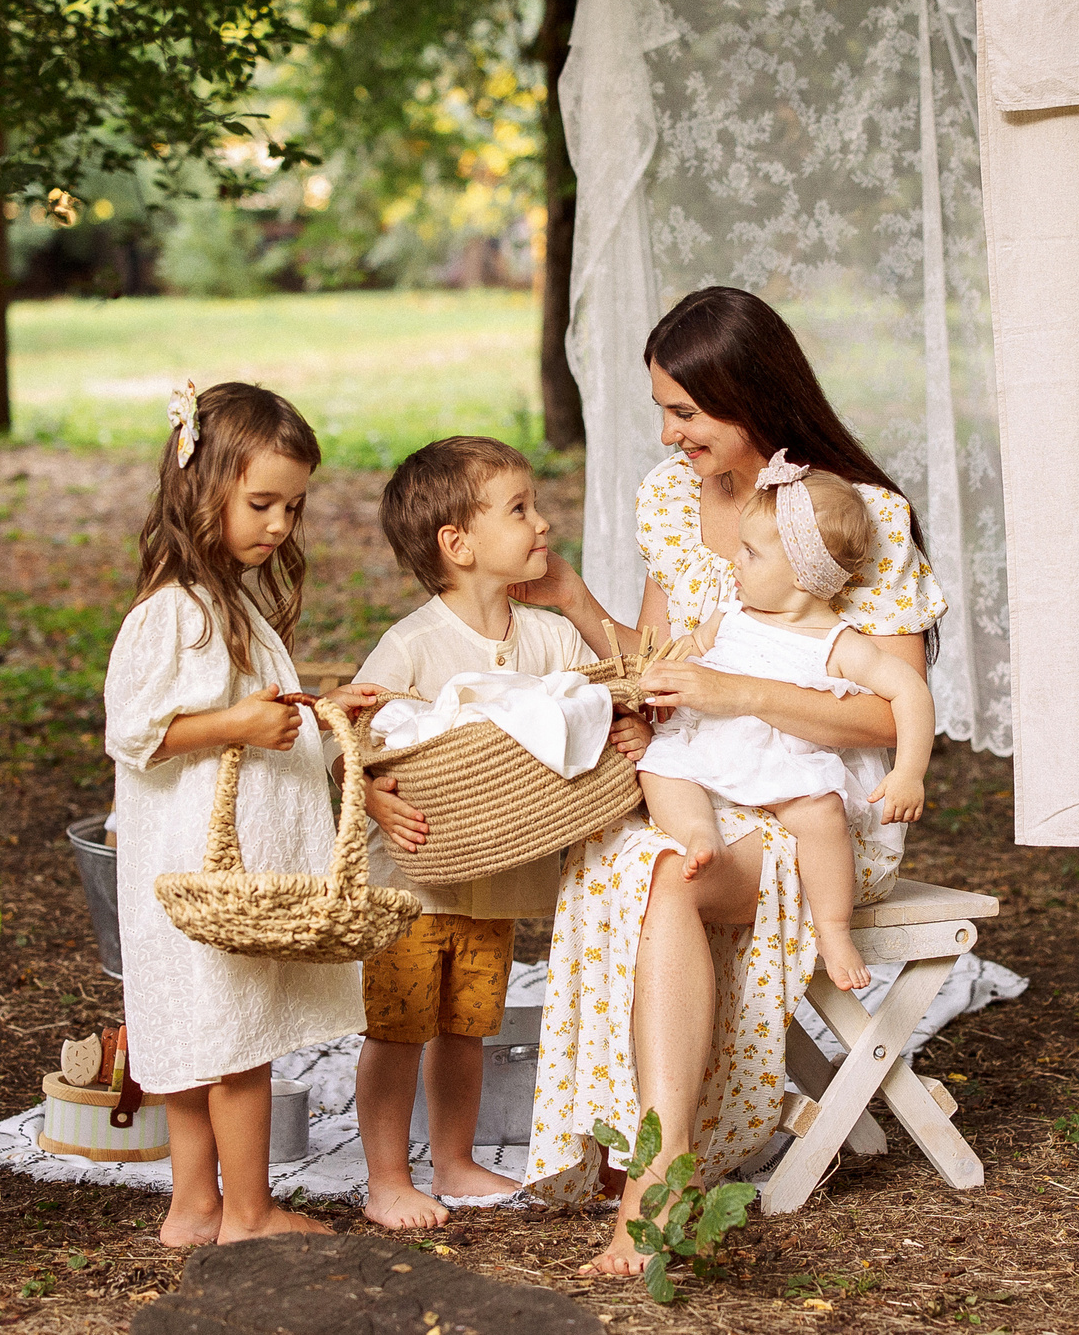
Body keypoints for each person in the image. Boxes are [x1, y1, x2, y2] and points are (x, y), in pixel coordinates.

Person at [510, 286, 946, 1275]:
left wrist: (733, 691)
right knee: (621, 859)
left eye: (687, 413)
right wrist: (584, 614)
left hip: (820, 804)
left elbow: (888, 713)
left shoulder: (857, 516)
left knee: (662, 873)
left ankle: (653, 1183)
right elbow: (661, 664)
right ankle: (669, 1149)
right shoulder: (670, 501)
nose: (668, 435)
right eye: (662, 409)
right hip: (711, 782)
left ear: (753, 399)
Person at [102, 379, 392, 1248]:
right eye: (260, 502)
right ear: (202, 489)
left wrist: (320, 705)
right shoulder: (176, 612)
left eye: (292, 507)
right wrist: (238, 721)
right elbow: (137, 730)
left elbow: (249, 709)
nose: (279, 525)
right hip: (203, 869)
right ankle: (249, 1212)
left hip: (209, 868)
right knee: (233, 1042)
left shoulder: (234, 600)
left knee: (199, 1038)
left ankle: (194, 1206)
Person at [348, 436, 651, 1229]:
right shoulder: (413, 645)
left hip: (499, 879)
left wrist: (618, 719)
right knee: (398, 1027)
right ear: (459, 542)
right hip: (413, 877)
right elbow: (352, 740)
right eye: (520, 508)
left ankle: (452, 1159)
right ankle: (386, 1178)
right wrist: (374, 796)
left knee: (465, 1027)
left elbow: (610, 689)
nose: (542, 523)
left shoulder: (546, 637)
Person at [635, 455, 931, 992]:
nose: (735, 563)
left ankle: (834, 928)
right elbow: (685, 651)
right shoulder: (729, 615)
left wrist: (909, 771)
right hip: (710, 746)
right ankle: (700, 831)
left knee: (822, 814)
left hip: (782, 762)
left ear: (801, 573)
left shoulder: (837, 644)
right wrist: (670, 674)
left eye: (749, 553)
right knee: (660, 767)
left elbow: (909, 691)